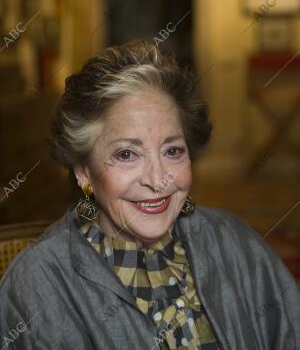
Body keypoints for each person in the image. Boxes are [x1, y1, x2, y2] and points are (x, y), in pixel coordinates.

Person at [0, 40, 299, 350]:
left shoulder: (235, 242)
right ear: (83, 172)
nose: (158, 180)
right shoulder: (39, 285)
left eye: (172, 151)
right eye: (127, 154)